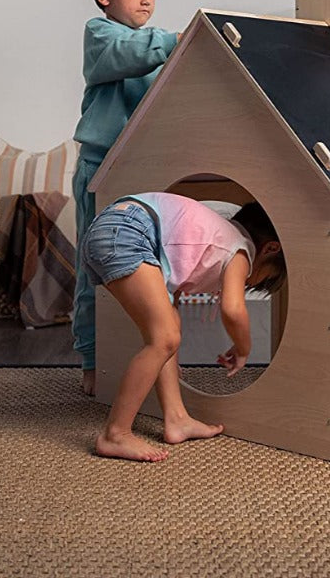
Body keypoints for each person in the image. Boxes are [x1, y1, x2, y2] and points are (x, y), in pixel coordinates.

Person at [81, 193, 286, 462]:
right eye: (262, 278)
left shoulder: (209, 238)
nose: (249, 283)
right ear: (270, 249)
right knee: (164, 338)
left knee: (167, 330)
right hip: (129, 231)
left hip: (118, 226)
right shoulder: (240, 250)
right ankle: (115, 434)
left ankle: (176, 418)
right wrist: (243, 347)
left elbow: (171, 304)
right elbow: (233, 310)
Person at [72, 0, 181, 397]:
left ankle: (150, 362)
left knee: (148, 272)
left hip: (143, 177)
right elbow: (133, 52)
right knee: (92, 270)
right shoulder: (103, 36)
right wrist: (183, 38)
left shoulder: (153, 51)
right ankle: (93, 363)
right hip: (101, 172)